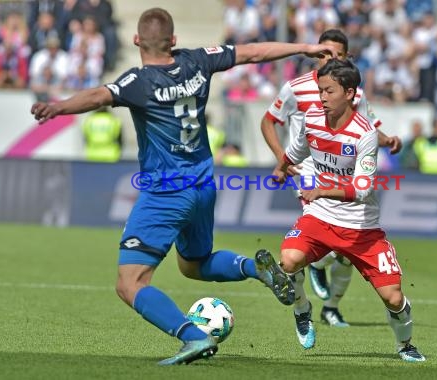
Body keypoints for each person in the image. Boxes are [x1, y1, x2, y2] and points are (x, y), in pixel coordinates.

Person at [31, 7, 342, 366]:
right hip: (203, 186)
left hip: (166, 192)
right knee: (194, 265)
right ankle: (254, 269)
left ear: (136, 41)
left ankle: (193, 337)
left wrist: (57, 107)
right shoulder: (197, 61)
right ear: (174, 41)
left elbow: (99, 96)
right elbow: (252, 52)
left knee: (130, 282)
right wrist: (303, 46)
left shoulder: (138, 82)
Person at [271, 58, 426, 362]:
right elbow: (296, 151)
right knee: (288, 260)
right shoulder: (312, 118)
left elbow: (363, 187)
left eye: (328, 91)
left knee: (393, 297)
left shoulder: (365, 134)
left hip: (362, 228)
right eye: (319, 90)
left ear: (350, 93)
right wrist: (281, 168)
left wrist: (321, 189)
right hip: (319, 216)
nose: (321, 97)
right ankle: (303, 310)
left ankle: (405, 345)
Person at [260, 29, 402, 347]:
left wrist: (388, 139)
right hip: (310, 174)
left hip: (348, 188)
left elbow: (368, 130)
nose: (331, 60)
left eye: (338, 55)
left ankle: (328, 297)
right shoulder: (296, 89)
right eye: (326, 54)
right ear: (316, 54)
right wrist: (281, 164)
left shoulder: (355, 95)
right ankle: (304, 297)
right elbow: (269, 121)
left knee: (342, 257)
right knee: (294, 256)